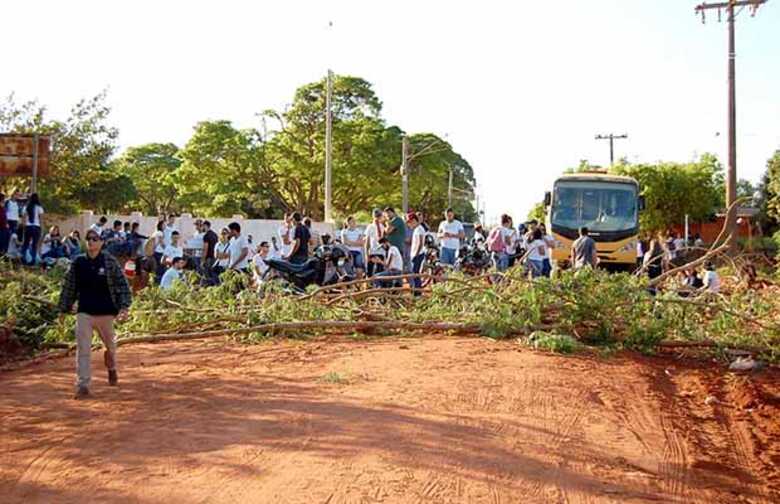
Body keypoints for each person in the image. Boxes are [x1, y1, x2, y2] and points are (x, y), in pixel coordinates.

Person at [57, 228, 132, 399]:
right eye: (88, 238)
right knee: (83, 349)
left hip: (106, 313)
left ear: (102, 242)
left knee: (111, 348)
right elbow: (68, 287)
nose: (91, 241)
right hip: (85, 312)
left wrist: (124, 308)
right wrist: (63, 309)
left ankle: (111, 368)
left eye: (95, 239)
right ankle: (83, 385)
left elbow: (122, 286)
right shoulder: (78, 262)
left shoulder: (109, 262)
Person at [20, 193, 44, 265]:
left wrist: (24, 227)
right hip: (36, 227)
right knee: (34, 245)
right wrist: (42, 229)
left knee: (25, 244)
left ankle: (23, 258)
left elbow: (23, 219)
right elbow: (41, 220)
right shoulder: (39, 208)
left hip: (28, 227)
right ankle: (33, 260)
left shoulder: (26, 207)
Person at [408, 213, 426, 294]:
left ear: (414, 220)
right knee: (414, 273)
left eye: (410, 222)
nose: (409, 224)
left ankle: (418, 292)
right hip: (416, 254)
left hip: (418, 255)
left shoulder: (419, 229)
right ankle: (416, 291)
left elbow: (420, 243)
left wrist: (416, 254)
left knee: (415, 274)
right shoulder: (417, 229)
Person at [364, 209, 384, 276]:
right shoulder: (370, 227)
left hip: (381, 251)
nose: (377, 217)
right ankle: (369, 284)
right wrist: (366, 254)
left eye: (379, 216)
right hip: (372, 251)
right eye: (376, 216)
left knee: (380, 271)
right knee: (370, 271)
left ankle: (378, 285)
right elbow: (367, 241)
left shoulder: (382, 226)